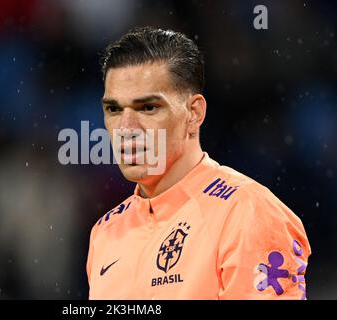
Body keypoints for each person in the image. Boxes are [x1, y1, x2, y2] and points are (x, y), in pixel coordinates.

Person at [86, 26, 311, 299]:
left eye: (148, 108)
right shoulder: (105, 233)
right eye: (114, 109)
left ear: (193, 113)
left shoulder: (246, 212)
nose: (126, 127)